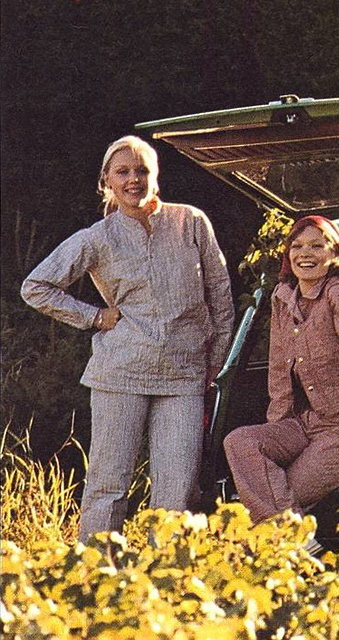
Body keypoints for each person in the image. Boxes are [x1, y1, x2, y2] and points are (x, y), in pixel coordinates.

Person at [21, 135, 235, 541]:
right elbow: (36, 287)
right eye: (123, 172)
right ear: (107, 180)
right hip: (120, 373)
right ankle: (95, 580)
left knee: (177, 489)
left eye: (142, 170)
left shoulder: (190, 222)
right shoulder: (97, 237)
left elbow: (220, 295)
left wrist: (216, 360)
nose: (134, 179)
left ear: (156, 176)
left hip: (185, 377)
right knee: (109, 485)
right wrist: (94, 316)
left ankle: (167, 585)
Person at [223, 215, 339, 536]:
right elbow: (279, 376)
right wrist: (278, 435)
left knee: (279, 497)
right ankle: (295, 551)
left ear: (335, 254)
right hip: (307, 423)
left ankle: (295, 556)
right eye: (296, 246)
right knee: (239, 442)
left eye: (316, 245)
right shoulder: (283, 298)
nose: (304, 253)